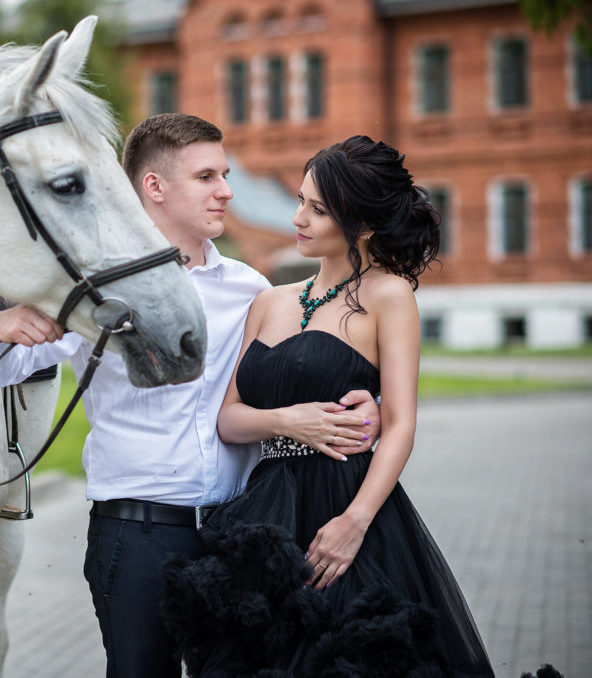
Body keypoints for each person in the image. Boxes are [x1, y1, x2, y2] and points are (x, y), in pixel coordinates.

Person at [0, 114, 379, 677]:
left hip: (242, 535)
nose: (227, 191)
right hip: (140, 537)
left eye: (225, 174)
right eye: (207, 176)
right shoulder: (94, 290)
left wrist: (360, 403)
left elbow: (303, 374)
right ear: (154, 187)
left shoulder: (251, 289)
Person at [160, 135, 495, 676]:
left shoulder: (389, 296)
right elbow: (228, 418)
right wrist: (286, 420)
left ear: (360, 224)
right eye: (300, 201)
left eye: (317, 210)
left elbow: (403, 424)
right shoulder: (269, 301)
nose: (298, 218)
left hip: (347, 504)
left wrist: (354, 523)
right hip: (264, 512)